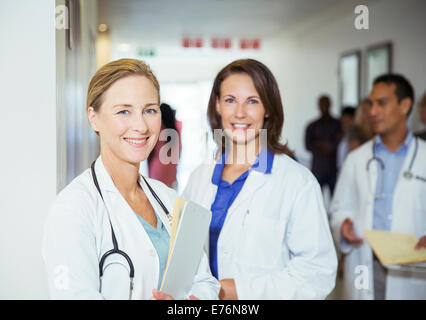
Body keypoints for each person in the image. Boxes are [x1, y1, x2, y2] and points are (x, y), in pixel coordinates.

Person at [42, 59, 220, 300]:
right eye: (124, 111)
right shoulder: (73, 209)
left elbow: (205, 282)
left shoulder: (168, 198)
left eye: (150, 110)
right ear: (94, 118)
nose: (141, 126)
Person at [182, 59, 337, 300]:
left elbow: (317, 272)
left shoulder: (297, 182)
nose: (240, 112)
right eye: (230, 100)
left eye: (252, 101)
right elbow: (183, 251)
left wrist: (237, 291)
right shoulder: (199, 178)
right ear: (217, 106)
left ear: (268, 109)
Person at [330, 74, 426, 300]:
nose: (372, 111)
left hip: (413, 266)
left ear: (405, 106)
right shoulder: (357, 159)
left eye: (381, 103)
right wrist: (343, 225)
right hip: (366, 261)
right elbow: (338, 208)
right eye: (371, 104)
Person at [305, 95, 342, 195]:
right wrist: (322, 147)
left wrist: (329, 146)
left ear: (330, 105)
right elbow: (308, 145)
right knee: (315, 199)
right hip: (318, 168)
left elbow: (341, 142)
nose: (324, 107)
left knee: (336, 200)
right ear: (318, 106)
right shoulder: (312, 126)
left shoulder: (338, 124)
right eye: (322, 104)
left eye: (326, 104)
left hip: (333, 168)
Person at [148, 103, 182, 189]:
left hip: (157, 171)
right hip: (171, 172)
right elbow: (179, 154)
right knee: (172, 199)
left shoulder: (157, 130)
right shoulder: (176, 130)